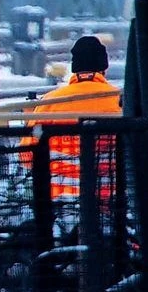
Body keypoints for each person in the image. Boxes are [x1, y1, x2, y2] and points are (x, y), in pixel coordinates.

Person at [31, 34, 120, 196]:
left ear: (74, 67)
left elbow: (26, 153)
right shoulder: (119, 100)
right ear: (104, 67)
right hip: (108, 198)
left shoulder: (49, 102)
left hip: (56, 199)